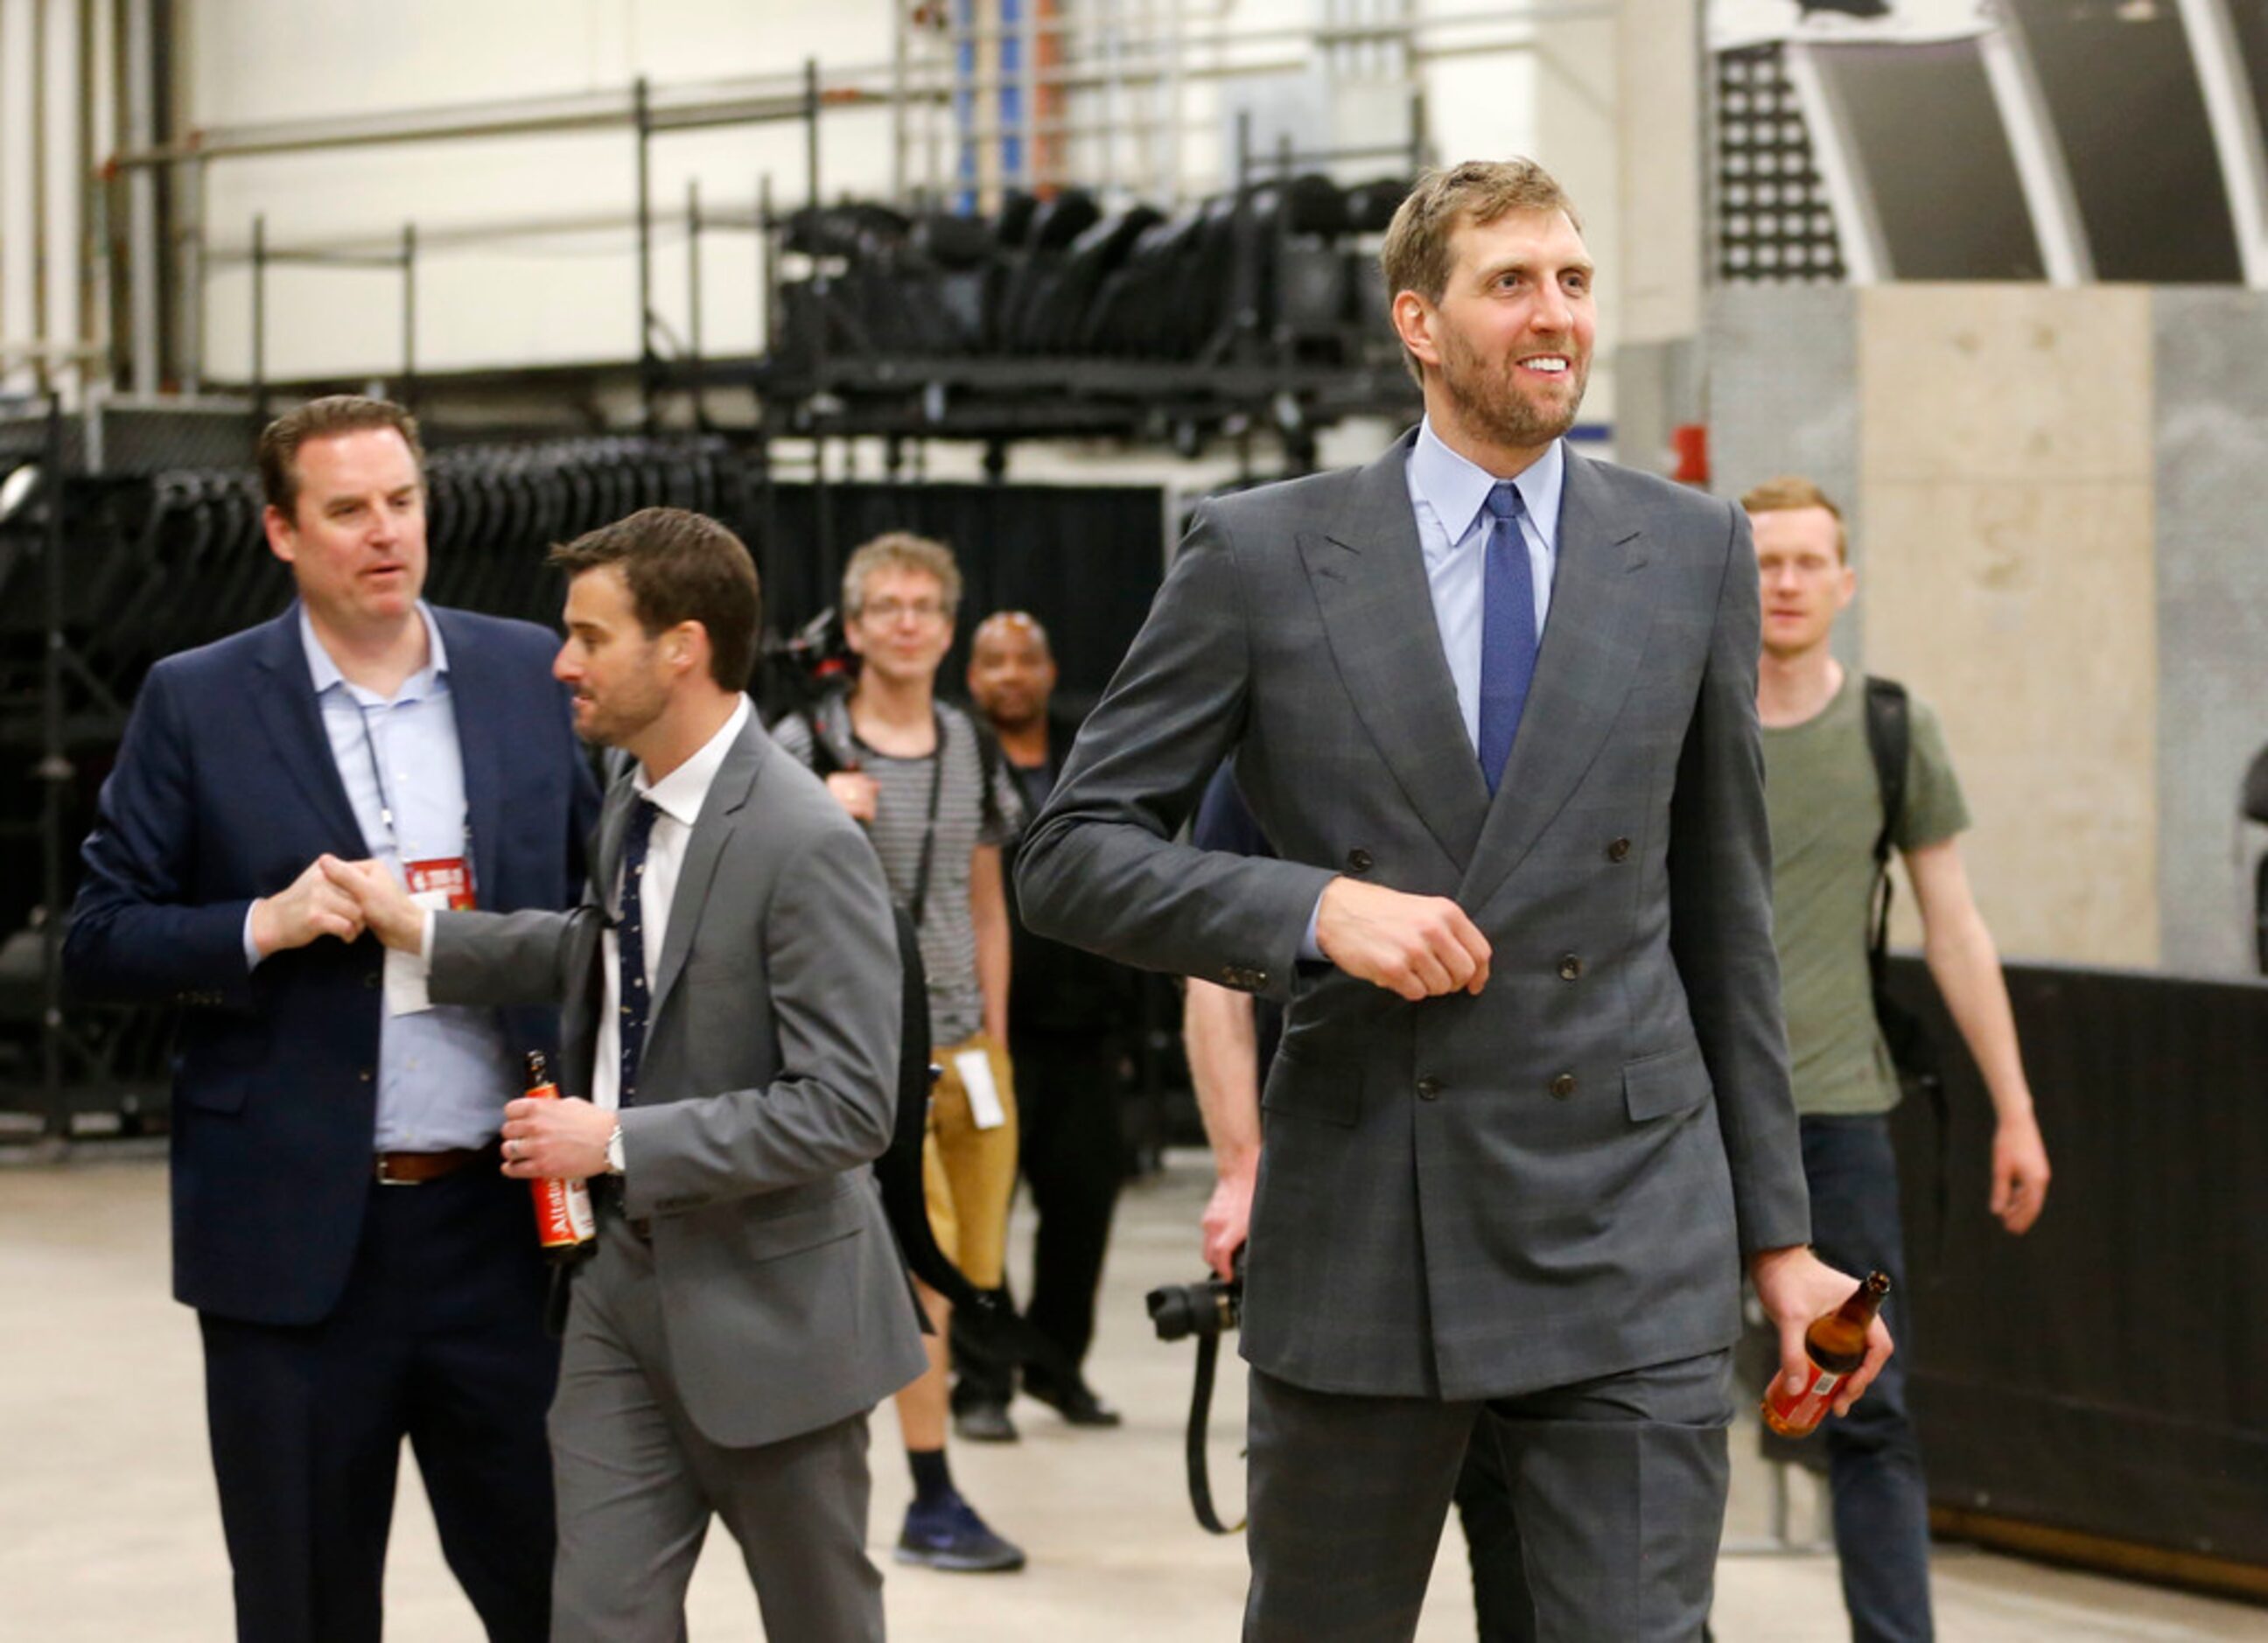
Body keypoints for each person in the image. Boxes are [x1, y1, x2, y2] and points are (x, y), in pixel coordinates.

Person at [1016, 157, 1891, 1640]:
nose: (1552, 315)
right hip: (1367, 1218)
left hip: (1625, 1220)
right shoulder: (1260, 552)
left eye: (1571, 279)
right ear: (1418, 321)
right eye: (1510, 283)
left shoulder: (1689, 552)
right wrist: (1308, 911)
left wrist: (1778, 1235)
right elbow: (1072, 850)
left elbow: (1722, 915)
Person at [327, 507, 928, 1641]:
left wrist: (611, 1142)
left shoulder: (803, 841)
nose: (562, 663)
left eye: (590, 637)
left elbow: (848, 1106)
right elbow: (605, 946)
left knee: (821, 1620)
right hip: (616, 1291)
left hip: (775, 1309)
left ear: (683, 648)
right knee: (597, 1619)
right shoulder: (630, 796)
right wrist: (425, 931)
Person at [62, 395, 599, 1643]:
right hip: (296, 1240)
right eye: (347, 509)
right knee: (303, 1603)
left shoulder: (529, 672)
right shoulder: (197, 699)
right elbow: (98, 935)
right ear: (281, 532)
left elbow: (601, 908)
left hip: (506, 1230)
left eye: (401, 501)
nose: (384, 532)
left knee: (570, 1594)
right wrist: (262, 921)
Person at [1745, 475, 2052, 1643]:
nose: (1784, 582)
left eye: (1807, 561)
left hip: (1841, 1120)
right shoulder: (1683, 717)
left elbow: (1955, 923)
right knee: (1654, 1405)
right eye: (1764, 560)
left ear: (1844, 581)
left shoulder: (1889, 726)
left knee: (1866, 1401)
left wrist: (2014, 1108)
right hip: (1686, 1118)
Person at [1184, 765, 1538, 1642]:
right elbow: (1214, 970)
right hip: (1344, 1180)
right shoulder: (1275, 737)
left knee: (1534, 1562)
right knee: (1336, 1574)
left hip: (1535, 1196)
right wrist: (1240, 1166)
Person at [772, 532, 1029, 1572]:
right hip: (865, 1057)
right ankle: (930, 1493)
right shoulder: (806, 744)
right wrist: (818, 823)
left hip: (969, 1050)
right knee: (916, 1281)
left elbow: (985, 902)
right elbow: (760, 904)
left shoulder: (969, 745)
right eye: (888, 606)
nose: (910, 622)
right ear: (856, 624)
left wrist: (996, 1035)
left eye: (927, 604)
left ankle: (922, 1479)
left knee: (968, 1270)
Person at [959, 609, 1137, 1430]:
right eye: (993, 661)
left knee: (1082, 1211)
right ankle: (984, 1380)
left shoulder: (1092, 750)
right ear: (972, 676)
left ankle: (1058, 1367)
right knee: (981, 1213)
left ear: (1049, 668)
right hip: (991, 1031)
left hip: (1088, 1029)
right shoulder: (955, 755)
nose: (1010, 676)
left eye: (1025, 660)